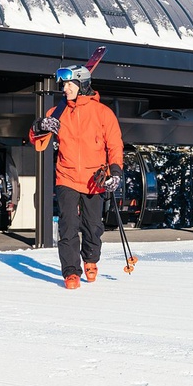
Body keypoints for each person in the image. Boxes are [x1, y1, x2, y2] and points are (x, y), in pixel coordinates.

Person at [29, 64, 123, 289]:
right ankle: (71, 271)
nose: (65, 88)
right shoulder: (57, 112)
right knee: (68, 225)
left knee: (93, 227)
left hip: (94, 179)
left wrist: (115, 172)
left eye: (70, 84)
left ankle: (90, 258)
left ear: (83, 85)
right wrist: (39, 126)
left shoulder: (103, 113)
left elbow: (114, 145)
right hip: (67, 177)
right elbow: (37, 141)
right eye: (64, 84)